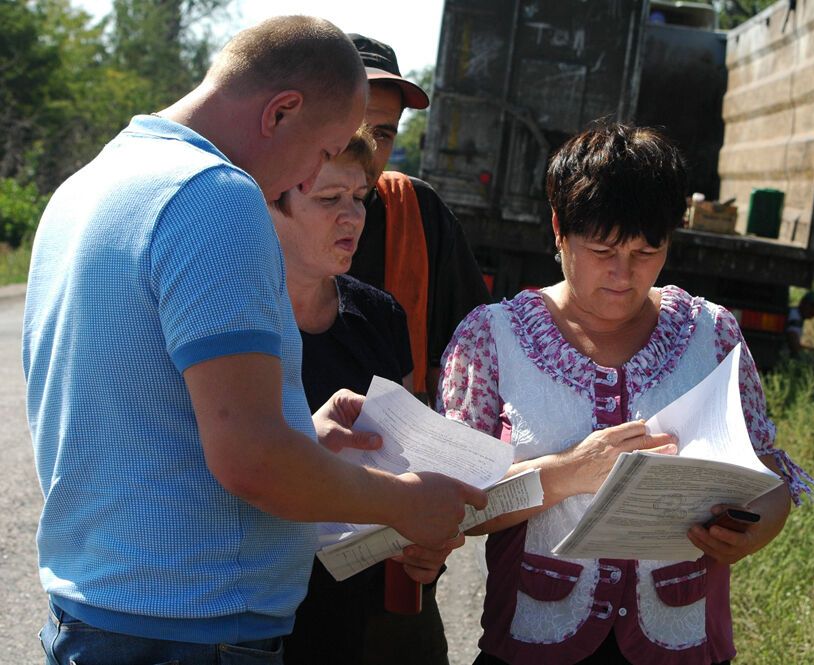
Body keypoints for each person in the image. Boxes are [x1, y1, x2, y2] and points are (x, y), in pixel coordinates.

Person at [22, 16, 485, 665]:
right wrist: (406, 501)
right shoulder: (218, 195)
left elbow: (140, 413)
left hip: (101, 612)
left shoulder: (90, 184)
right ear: (281, 112)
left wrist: (299, 432)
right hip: (196, 628)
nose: (319, 171)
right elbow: (249, 458)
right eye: (325, 151)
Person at [437, 123, 814, 664]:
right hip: (534, 639)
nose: (623, 274)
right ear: (558, 230)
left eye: (646, 251)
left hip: (683, 638)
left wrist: (754, 530)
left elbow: (767, 476)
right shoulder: (491, 339)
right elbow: (454, 507)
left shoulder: (713, 335)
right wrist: (571, 470)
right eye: (602, 249)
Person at [269, 128, 452, 664]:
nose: (352, 216)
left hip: (359, 613)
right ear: (268, 200)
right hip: (262, 617)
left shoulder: (379, 316)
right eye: (329, 199)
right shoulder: (234, 319)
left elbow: (404, 455)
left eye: (360, 198)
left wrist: (426, 545)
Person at [347, 34, 491, 403]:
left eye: (383, 133)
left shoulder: (416, 209)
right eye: (356, 128)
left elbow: (476, 342)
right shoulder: (263, 209)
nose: (369, 150)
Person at [785, 290, 814, 357]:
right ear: (802, 303)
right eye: (812, 306)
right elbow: (795, 347)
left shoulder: (797, 315)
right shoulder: (795, 317)